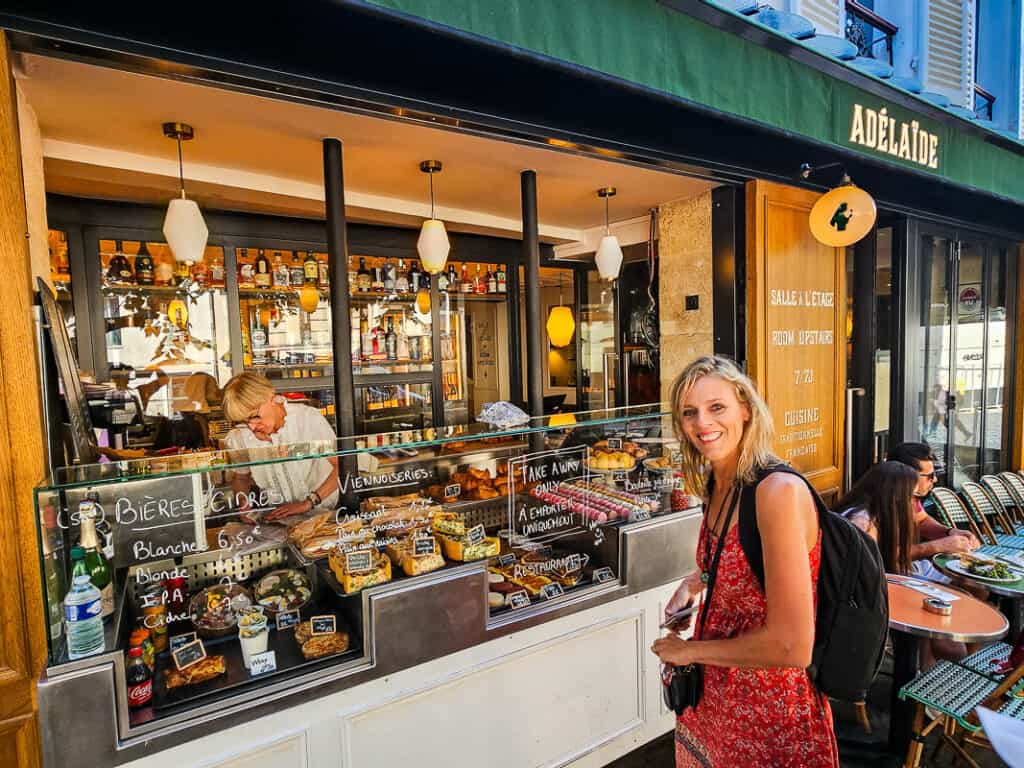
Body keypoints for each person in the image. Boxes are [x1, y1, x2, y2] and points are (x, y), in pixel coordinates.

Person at [651, 355, 838, 767]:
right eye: (689, 412)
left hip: (767, 713)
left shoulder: (777, 493)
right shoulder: (719, 481)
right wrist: (695, 582)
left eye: (716, 408)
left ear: (746, 409)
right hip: (716, 701)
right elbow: (736, 561)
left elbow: (792, 647)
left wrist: (691, 652)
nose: (702, 423)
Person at [835, 460, 971, 666]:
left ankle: (923, 677)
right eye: (912, 496)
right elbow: (870, 574)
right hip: (858, 603)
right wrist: (936, 547)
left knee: (945, 611)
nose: (914, 504)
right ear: (894, 495)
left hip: (869, 592)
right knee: (947, 639)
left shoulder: (869, 512)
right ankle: (922, 678)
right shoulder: (863, 521)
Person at [222, 372, 339, 522]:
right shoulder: (239, 437)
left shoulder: (307, 419)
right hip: (278, 519)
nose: (251, 427)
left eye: (254, 416)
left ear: (271, 398)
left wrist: (308, 503)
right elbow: (241, 478)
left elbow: (341, 465)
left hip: (323, 513)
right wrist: (245, 508)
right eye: (244, 421)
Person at [888, 441, 981, 585]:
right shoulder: (878, 505)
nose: (935, 479)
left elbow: (921, 520)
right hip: (889, 576)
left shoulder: (910, 496)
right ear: (906, 475)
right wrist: (939, 546)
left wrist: (950, 532)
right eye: (930, 475)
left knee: (975, 583)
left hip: (910, 566)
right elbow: (882, 554)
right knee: (969, 586)